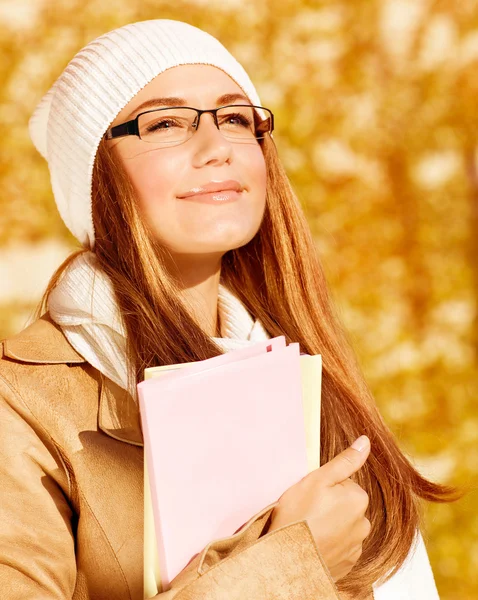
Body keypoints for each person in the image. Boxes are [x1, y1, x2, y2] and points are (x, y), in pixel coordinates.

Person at [0, 19, 457, 600]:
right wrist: (290, 562)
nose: (218, 148)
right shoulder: (20, 404)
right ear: (94, 176)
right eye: (165, 123)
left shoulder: (315, 374)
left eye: (236, 118)